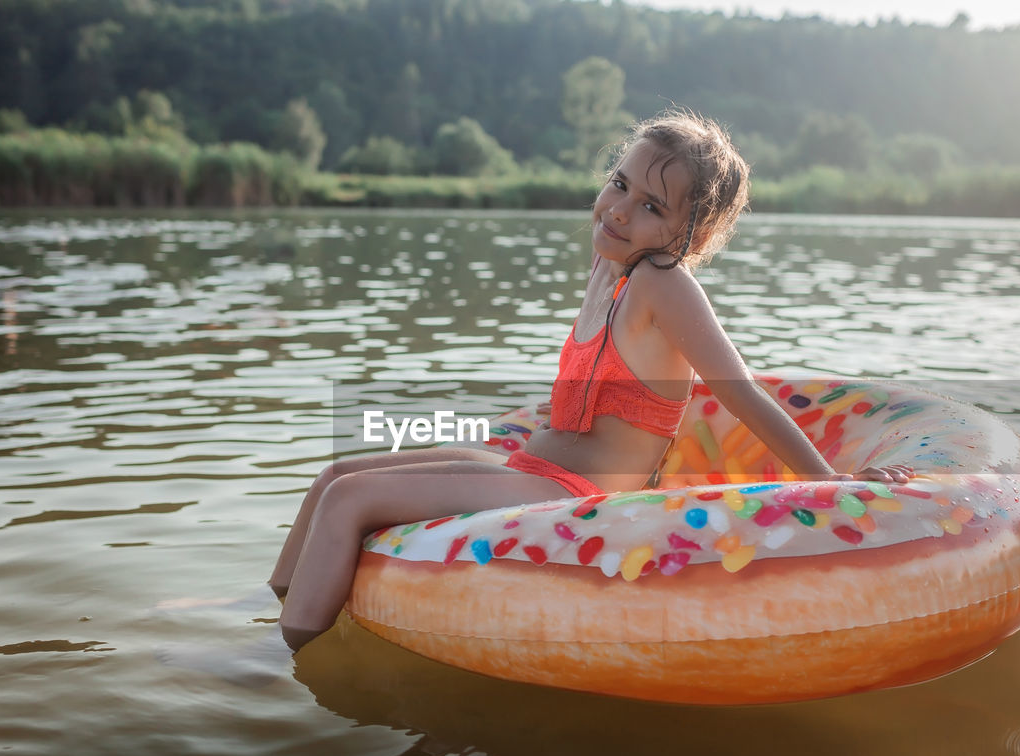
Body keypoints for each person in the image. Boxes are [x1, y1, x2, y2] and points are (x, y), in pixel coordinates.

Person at [271, 109, 912, 652]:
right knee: (335, 476)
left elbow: (740, 389)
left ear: (695, 233)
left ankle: (281, 657)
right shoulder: (609, 271)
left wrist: (827, 480)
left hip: (572, 490)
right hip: (531, 464)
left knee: (348, 502)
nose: (621, 210)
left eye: (652, 206)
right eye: (619, 183)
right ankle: (264, 609)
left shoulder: (663, 283)